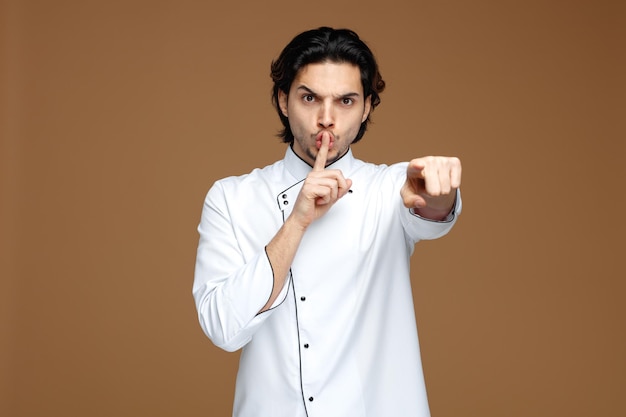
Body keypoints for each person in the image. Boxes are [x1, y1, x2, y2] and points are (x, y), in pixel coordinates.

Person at [193, 27, 462, 417]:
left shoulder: (389, 188)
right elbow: (222, 328)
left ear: (367, 107)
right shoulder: (231, 198)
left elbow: (430, 210)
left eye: (346, 101)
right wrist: (297, 221)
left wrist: (440, 192)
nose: (326, 119)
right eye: (309, 98)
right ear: (283, 100)